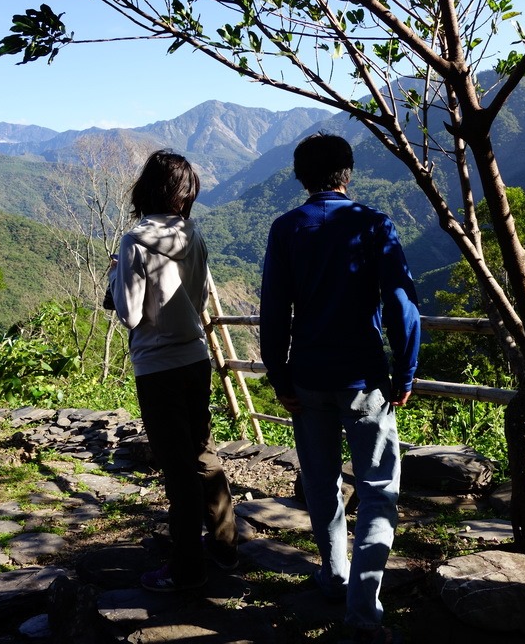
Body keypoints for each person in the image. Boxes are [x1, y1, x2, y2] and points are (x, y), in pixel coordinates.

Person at [259, 133, 420, 644]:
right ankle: (363, 606)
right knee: (377, 489)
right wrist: (405, 373)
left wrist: (280, 376)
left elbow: (273, 312)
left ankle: (333, 576)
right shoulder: (373, 225)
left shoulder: (285, 229)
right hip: (363, 379)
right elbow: (401, 306)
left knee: (321, 480)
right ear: (347, 172)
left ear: (301, 177)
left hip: (307, 378)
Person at [109, 149, 238, 592]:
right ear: (185, 194)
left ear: (147, 188)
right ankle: (225, 545)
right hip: (195, 358)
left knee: (176, 468)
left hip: (157, 362)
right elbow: (200, 299)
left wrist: (114, 278)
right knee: (201, 450)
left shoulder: (134, 241)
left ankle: (185, 569)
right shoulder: (193, 234)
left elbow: (128, 314)